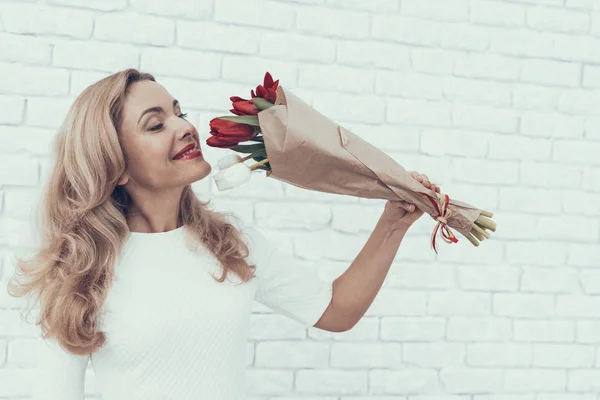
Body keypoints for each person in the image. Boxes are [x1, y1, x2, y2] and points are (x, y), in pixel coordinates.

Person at [6, 68, 439, 400]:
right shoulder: (78, 272)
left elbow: (336, 310)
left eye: (179, 113)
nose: (184, 127)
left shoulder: (228, 241)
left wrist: (394, 222)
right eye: (155, 125)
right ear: (114, 165)